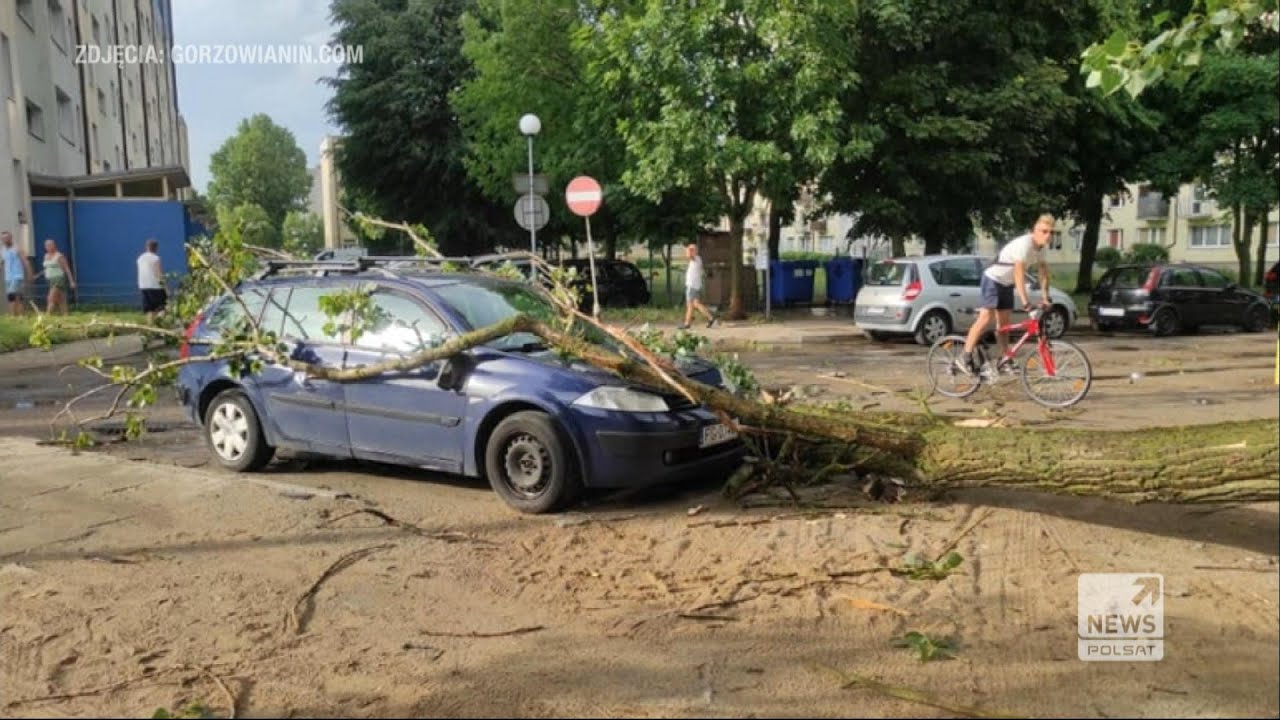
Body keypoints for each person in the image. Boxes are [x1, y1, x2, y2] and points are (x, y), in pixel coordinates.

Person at [958, 214, 1054, 374]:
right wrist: (1025, 303)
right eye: (1044, 231)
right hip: (993, 279)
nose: (1048, 236)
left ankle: (1005, 359)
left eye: (1050, 232)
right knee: (986, 317)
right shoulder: (1024, 245)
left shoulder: (1042, 249)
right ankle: (965, 356)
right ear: (1034, 231)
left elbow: (1043, 272)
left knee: (1004, 325)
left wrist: (1045, 297)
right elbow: (1019, 274)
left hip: (1006, 284)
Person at [679, 242, 718, 330]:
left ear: (695, 251)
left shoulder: (695, 258)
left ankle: (687, 323)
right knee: (695, 304)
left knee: (690, 305)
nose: (690, 251)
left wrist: (686, 248)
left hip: (691, 285)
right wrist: (688, 248)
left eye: (692, 250)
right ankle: (711, 318)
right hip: (695, 285)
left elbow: (689, 256)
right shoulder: (698, 258)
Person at [38, 238, 76, 316]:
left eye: (50, 245)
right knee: (61, 299)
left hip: (58, 279)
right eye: (46, 245)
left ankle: (47, 316)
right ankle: (65, 315)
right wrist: (37, 275)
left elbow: (67, 269)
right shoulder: (46, 256)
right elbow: (47, 268)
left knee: (50, 298)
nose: (48, 247)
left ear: (54, 245)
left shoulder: (59, 256)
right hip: (50, 280)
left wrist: (71, 281)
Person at [1, 232, 34, 316]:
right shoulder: (3, 250)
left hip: (17, 276)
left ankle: (13, 316)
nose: (5, 240)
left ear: (10, 238)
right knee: (16, 296)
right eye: (3, 238)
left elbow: (26, 262)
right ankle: (20, 315)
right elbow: (4, 261)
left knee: (12, 295)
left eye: (7, 238)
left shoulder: (17, 249)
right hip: (8, 277)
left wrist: (30, 274)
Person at [137, 238, 167, 320]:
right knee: (162, 308)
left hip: (143, 286)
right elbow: (159, 274)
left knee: (149, 309)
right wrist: (166, 288)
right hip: (156, 287)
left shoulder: (140, 258)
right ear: (156, 248)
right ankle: (160, 325)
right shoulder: (156, 258)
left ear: (146, 247)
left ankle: (151, 326)